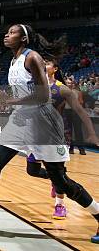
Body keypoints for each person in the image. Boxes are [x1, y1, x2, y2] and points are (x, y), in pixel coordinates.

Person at [0, 24, 99, 244]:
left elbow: (42, 96)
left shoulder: (33, 58)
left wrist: (9, 101)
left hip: (44, 123)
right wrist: (5, 103)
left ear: (24, 39)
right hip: (20, 121)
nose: (6, 35)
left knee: (61, 182)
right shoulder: (13, 61)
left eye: (12, 33)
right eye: (7, 32)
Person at [25, 58, 99, 219]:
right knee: (32, 171)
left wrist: (91, 132)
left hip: (54, 138)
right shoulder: (35, 86)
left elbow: (80, 111)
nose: (43, 64)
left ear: (55, 68)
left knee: (61, 180)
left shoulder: (62, 89)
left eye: (48, 63)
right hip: (36, 136)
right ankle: (54, 179)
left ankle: (60, 205)